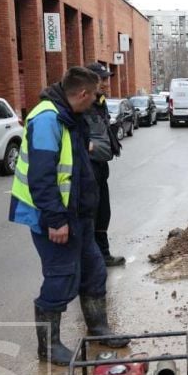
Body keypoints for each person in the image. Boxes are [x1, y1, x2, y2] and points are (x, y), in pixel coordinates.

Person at [9, 67, 128, 366]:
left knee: (94, 271)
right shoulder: (48, 118)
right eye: (96, 95)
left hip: (78, 216)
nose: (97, 101)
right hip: (54, 218)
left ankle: (98, 328)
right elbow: (41, 177)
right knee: (61, 277)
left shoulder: (71, 117)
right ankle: (48, 346)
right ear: (84, 93)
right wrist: (55, 220)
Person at [83, 62, 125, 267]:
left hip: (101, 165)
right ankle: (91, 257)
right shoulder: (83, 103)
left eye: (107, 78)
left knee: (102, 211)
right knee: (90, 211)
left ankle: (103, 253)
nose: (107, 83)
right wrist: (86, 146)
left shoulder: (100, 102)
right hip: (89, 165)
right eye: (103, 79)